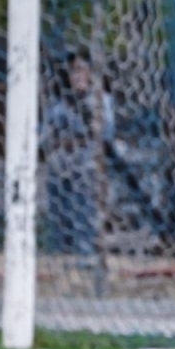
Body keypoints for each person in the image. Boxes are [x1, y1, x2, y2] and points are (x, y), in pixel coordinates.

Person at [39, 53, 113, 256]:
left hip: (87, 167)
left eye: (81, 69)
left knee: (85, 214)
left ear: (90, 73)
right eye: (73, 71)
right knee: (59, 217)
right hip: (60, 167)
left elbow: (106, 134)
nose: (77, 75)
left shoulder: (102, 101)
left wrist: (77, 138)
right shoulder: (58, 104)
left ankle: (85, 255)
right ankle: (60, 254)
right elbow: (44, 137)